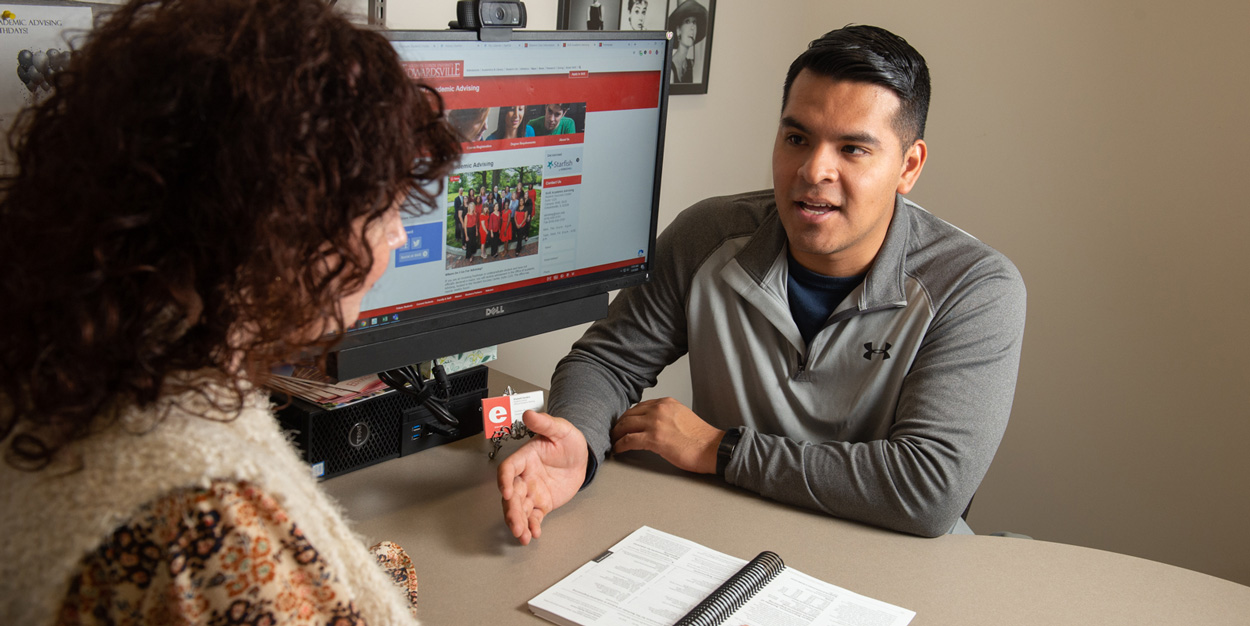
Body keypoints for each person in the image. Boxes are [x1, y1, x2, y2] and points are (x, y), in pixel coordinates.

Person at [0, 1, 461, 623]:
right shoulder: (208, 529)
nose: (399, 237)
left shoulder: (80, 369)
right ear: (272, 223)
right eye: (379, 206)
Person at [497, 25, 1027, 542]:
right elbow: (605, 363)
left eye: (853, 150)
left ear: (908, 166)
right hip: (733, 544)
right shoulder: (706, 235)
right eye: (796, 138)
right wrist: (578, 443)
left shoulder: (975, 287)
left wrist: (719, 450)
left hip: (891, 563)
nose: (814, 169)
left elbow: (928, 489)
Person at [667, 0, 708, 84]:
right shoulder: (669, 68)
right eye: (687, 22)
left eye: (694, 22)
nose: (692, 27)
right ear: (678, 30)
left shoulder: (690, 65)